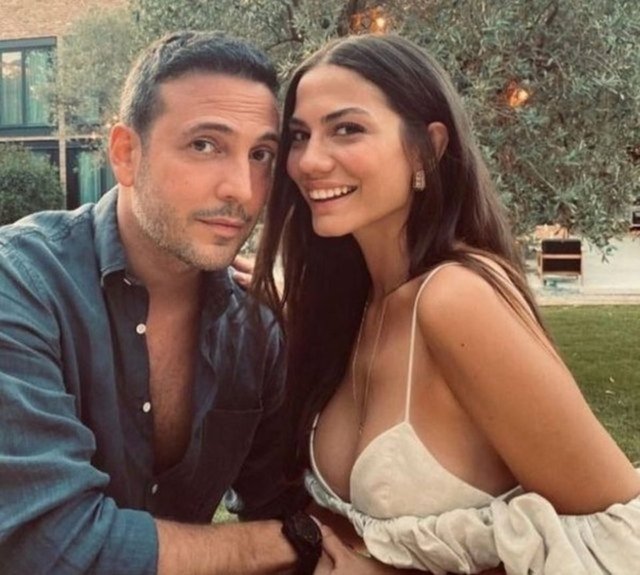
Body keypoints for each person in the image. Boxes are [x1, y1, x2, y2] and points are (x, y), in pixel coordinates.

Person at [253, 34, 640, 574]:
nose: (309, 161)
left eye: (347, 129)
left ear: (428, 148)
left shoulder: (453, 299)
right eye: (299, 136)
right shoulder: (355, 307)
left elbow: (619, 537)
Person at [0, 31, 318, 575]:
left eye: (261, 154)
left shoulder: (256, 327)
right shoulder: (22, 284)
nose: (242, 190)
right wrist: (280, 543)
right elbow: (49, 545)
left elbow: (288, 499)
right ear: (126, 154)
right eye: (205, 145)